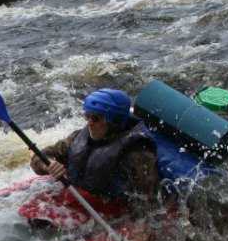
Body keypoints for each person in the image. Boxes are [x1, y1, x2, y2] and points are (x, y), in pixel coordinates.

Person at [30, 88, 161, 214]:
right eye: (87, 116)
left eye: (96, 118)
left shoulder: (137, 154)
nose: (89, 123)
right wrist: (48, 165)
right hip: (78, 195)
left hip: (109, 208)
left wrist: (140, 231)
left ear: (114, 121)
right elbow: (39, 157)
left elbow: (148, 202)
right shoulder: (78, 138)